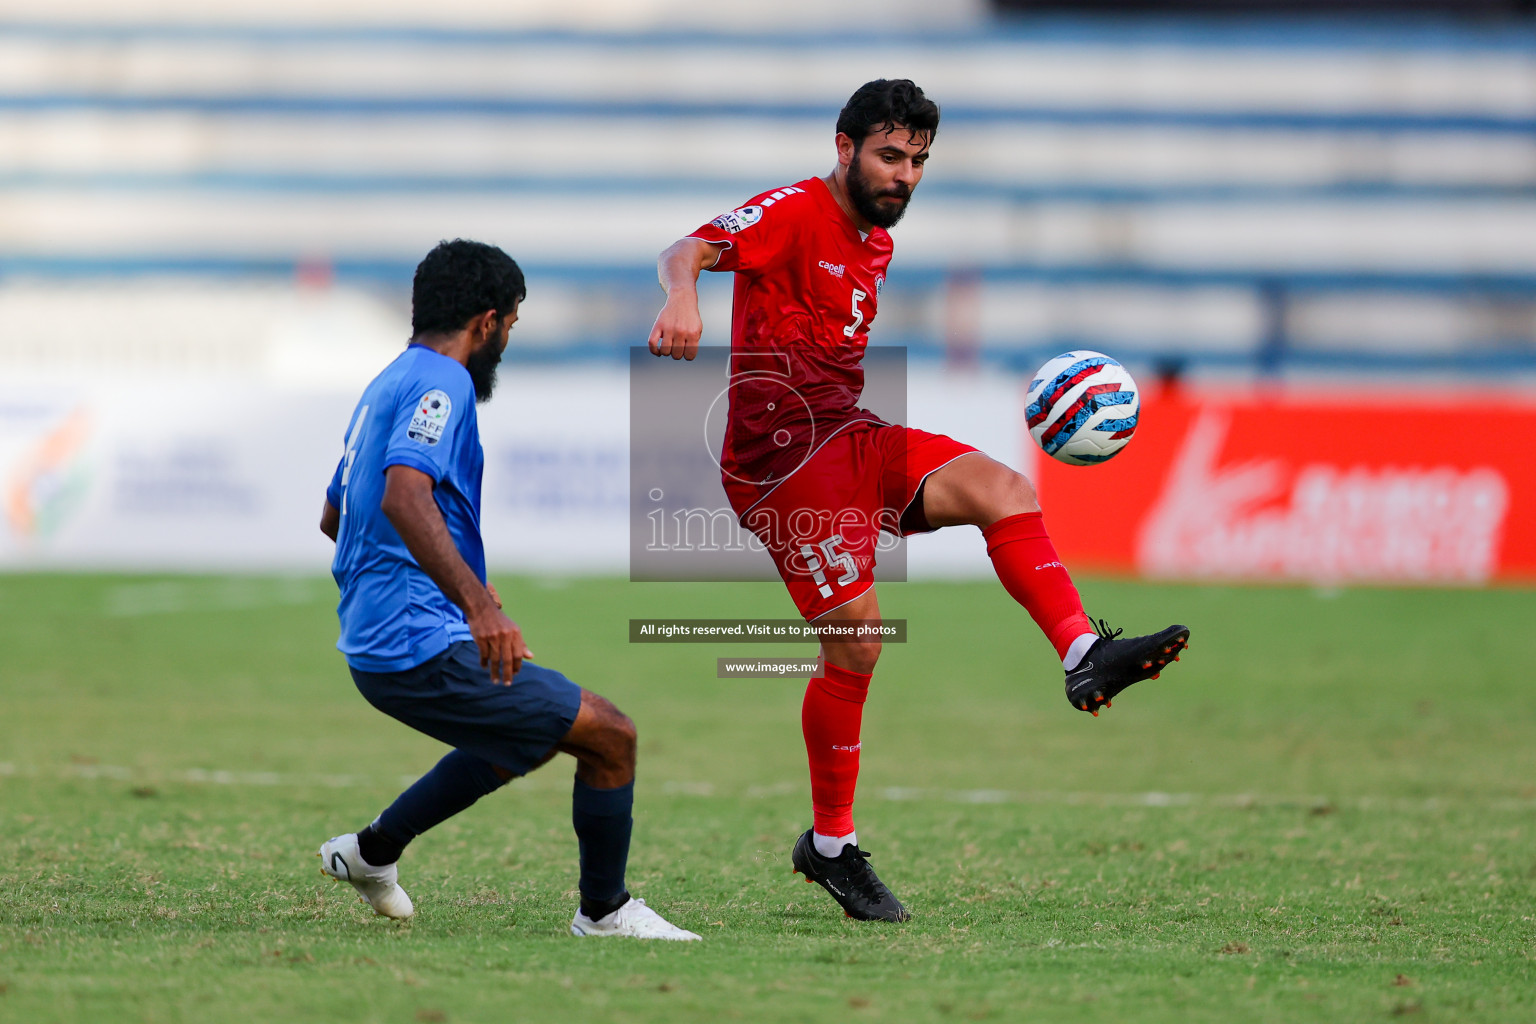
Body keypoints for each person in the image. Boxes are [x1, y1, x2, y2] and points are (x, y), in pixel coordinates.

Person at [647, 80, 1189, 923]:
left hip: (848, 432)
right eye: (890, 156)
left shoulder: (874, 237)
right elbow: (688, 248)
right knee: (856, 648)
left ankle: (1083, 652)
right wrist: (682, 294)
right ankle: (831, 847)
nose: (904, 175)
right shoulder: (794, 211)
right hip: (783, 464)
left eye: (918, 161)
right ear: (844, 147)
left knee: (1002, 488)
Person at [317, 239, 698, 941]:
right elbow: (404, 496)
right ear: (488, 322)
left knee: (524, 739)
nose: (505, 342)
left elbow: (335, 515)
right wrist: (478, 606)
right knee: (610, 735)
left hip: (384, 636)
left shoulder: (386, 383)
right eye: (512, 327)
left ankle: (372, 852)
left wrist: (440, 580)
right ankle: (605, 912)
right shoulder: (445, 383)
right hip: (413, 642)